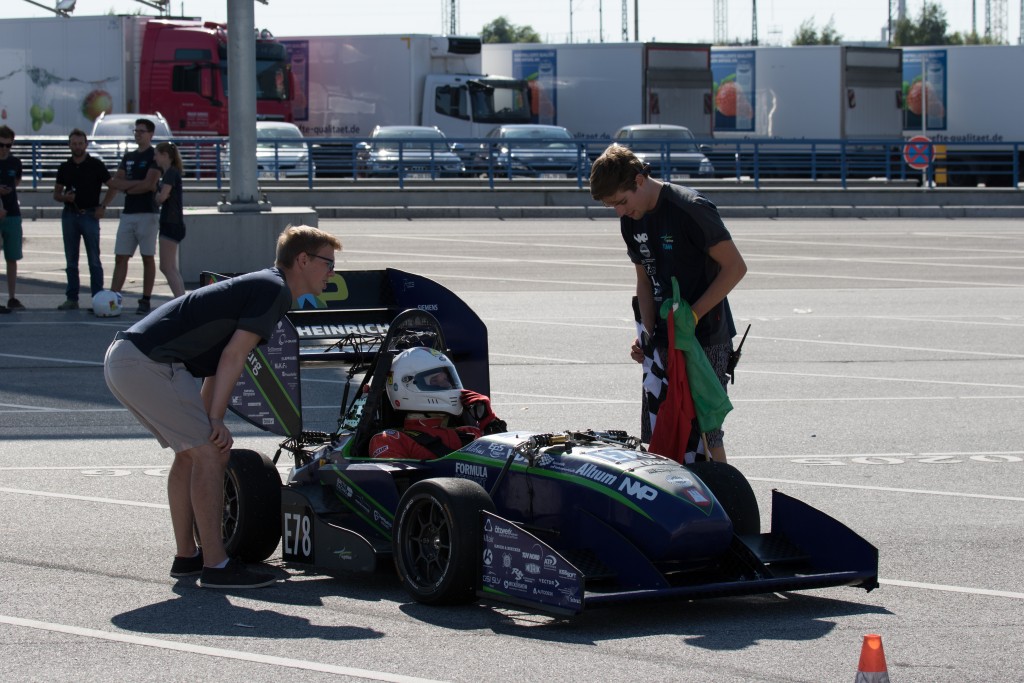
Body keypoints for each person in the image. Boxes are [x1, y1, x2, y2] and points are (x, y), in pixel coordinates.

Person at [103, 224, 342, 589]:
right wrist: (214, 419)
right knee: (209, 455)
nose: (332, 272)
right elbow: (233, 356)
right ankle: (216, 566)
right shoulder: (273, 289)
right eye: (328, 263)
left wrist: (208, 421)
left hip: (137, 360)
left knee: (194, 453)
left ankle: (188, 558)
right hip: (147, 364)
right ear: (303, 259)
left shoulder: (268, 286)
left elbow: (220, 360)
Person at [589, 144, 747, 463]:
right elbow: (645, 280)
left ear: (638, 180)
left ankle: (723, 506)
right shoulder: (631, 221)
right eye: (613, 207)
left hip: (704, 338)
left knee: (705, 431)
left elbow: (735, 267)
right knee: (662, 430)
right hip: (664, 337)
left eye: (621, 202)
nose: (620, 212)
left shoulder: (691, 208)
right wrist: (648, 339)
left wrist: (694, 315)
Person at [368, 347, 506, 459]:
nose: (447, 385)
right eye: (435, 381)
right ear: (407, 386)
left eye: (448, 380)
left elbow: (505, 462)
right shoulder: (391, 440)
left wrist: (490, 422)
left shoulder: (469, 433)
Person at [53, 128, 114, 311]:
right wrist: (65, 197)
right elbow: (56, 193)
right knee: (71, 260)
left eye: (80, 143)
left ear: (86, 144)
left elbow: (113, 186)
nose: (77, 146)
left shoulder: (96, 164)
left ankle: (98, 299)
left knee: (94, 259)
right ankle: (72, 298)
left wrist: (103, 206)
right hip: (70, 214)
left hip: (90, 214)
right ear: (69, 145)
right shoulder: (65, 167)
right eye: (74, 143)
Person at [106, 117, 162, 314]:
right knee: (121, 257)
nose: (138, 134)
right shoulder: (128, 156)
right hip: (128, 213)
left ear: (151, 134)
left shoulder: (154, 156)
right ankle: (113, 299)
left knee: (147, 257)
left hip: (148, 213)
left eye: (142, 131)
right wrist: (134, 186)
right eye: (136, 131)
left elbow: (150, 185)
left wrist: (128, 187)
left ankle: (145, 299)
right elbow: (115, 182)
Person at [154, 141, 186, 298]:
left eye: (157, 154)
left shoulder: (170, 173)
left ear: (165, 155)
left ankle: (180, 300)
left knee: (166, 266)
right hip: (173, 222)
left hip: (171, 222)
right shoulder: (172, 172)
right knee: (171, 267)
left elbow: (163, 196)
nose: (155, 158)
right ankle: (181, 299)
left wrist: (156, 196)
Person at [0, 125, 24, 313]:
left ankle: (12, 297)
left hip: (12, 213)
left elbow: (16, 182)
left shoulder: (15, 162)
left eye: (8, 146)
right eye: (1, 145)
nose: (4, 149)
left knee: (12, 257)